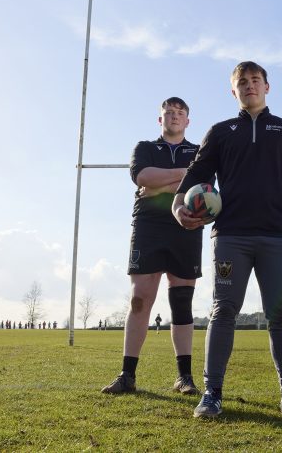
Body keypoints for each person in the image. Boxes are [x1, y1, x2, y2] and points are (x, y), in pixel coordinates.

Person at [172, 62, 282, 420]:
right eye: (242, 82)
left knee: (280, 315)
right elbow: (196, 175)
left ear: (268, 86)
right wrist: (178, 205)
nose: (249, 86)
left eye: (256, 80)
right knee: (223, 311)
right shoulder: (221, 132)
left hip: (277, 237)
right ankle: (211, 394)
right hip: (231, 237)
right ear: (232, 91)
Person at [101, 97, 206, 396]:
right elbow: (142, 177)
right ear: (160, 120)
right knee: (139, 299)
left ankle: (184, 377)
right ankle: (127, 375)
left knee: (182, 301)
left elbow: (203, 186)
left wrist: (159, 185)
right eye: (168, 113)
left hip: (186, 225)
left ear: (188, 120)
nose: (174, 117)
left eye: (180, 113)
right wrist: (185, 174)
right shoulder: (144, 148)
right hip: (148, 227)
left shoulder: (199, 151)